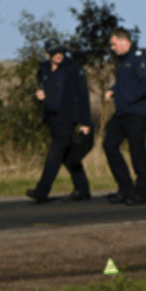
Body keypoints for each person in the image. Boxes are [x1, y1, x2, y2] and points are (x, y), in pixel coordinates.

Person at [26, 42, 93, 203]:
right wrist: (39, 93)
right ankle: (82, 189)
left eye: (61, 51)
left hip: (68, 117)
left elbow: (83, 95)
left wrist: (86, 122)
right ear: (47, 54)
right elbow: (41, 85)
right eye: (54, 52)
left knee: (55, 153)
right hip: (51, 118)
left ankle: (42, 190)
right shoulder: (43, 69)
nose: (58, 54)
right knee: (67, 155)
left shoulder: (73, 68)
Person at [102, 28, 146, 206]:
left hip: (137, 112)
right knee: (109, 145)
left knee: (136, 150)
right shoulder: (122, 61)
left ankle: (141, 191)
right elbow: (123, 83)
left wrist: (128, 97)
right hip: (122, 112)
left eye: (114, 44)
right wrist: (113, 91)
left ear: (124, 41)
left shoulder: (140, 58)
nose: (112, 48)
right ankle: (125, 188)